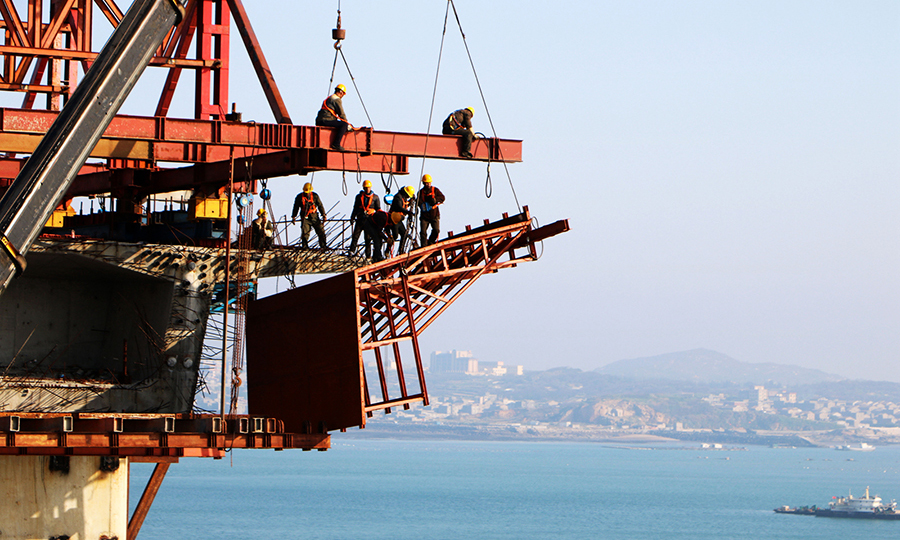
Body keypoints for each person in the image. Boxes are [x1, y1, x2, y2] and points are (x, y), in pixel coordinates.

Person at [348, 179, 381, 257]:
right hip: (360, 219)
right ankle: (351, 251)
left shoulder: (375, 197)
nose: (367, 189)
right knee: (355, 236)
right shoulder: (359, 197)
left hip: (369, 220)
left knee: (368, 238)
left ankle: (368, 254)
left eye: (368, 187)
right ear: (363, 188)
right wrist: (352, 217)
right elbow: (355, 207)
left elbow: (378, 209)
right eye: (366, 187)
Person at [315, 84, 352, 151]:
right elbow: (341, 114)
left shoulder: (329, 98)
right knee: (344, 125)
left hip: (319, 120)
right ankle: (336, 144)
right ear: (341, 92)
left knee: (340, 124)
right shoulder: (336, 99)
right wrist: (347, 125)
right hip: (326, 120)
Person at [291, 182, 327, 249]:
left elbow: (320, 205)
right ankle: (305, 247)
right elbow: (296, 207)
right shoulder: (299, 197)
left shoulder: (315, 196)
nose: (307, 193)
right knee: (305, 233)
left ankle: (323, 246)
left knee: (321, 232)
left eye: (308, 192)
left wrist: (324, 215)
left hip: (315, 217)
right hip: (305, 218)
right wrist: (293, 216)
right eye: (306, 192)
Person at [417, 174, 445, 246]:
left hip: (434, 215)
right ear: (423, 183)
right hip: (424, 216)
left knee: (436, 230)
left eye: (429, 183)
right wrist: (422, 204)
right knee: (423, 232)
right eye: (426, 183)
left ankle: (431, 241)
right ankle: (424, 246)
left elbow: (442, 197)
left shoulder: (435, 190)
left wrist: (435, 200)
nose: (428, 184)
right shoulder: (420, 193)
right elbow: (418, 202)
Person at [389, 185, 415, 253]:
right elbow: (399, 207)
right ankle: (387, 250)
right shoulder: (398, 197)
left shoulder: (403, 198)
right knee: (395, 236)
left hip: (399, 219)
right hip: (394, 218)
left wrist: (410, 202)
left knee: (404, 234)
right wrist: (408, 212)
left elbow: (404, 204)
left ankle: (401, 250)